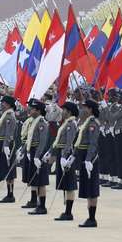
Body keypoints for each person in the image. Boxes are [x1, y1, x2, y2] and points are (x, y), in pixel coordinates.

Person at [49, 101, 80, 221]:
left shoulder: (71, 124)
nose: (63, 112)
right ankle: (66, 211)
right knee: (65, 184)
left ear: (70, 112)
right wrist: (51, 152)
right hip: (61, 153)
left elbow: (69, 142)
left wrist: (64, 156)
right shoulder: (65, 123)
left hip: (66, 156)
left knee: (69, 184)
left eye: (65, 110)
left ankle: (68, 212)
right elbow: (59, 140)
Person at [76, 96, 102, 227]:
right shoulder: (86, 122)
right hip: (84, 157)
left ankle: (92, 218)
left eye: (85, 107)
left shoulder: (92, 124)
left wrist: (88, 159)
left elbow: (93, 143)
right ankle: (90, 218)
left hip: (90, 158)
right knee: (88, 188)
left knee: (92, 188)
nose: (83, 109)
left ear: (90, 109)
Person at [0, 95, 19, 203]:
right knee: (5, 168)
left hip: (7, 144)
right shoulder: (6, 114)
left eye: (3, 102)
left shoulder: (9, 116)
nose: (1, 104)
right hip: (2, 143)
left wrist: (5, 145)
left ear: (8, 104)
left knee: (9, 170)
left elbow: (9, 132)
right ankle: (9, 193)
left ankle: (10, 194)